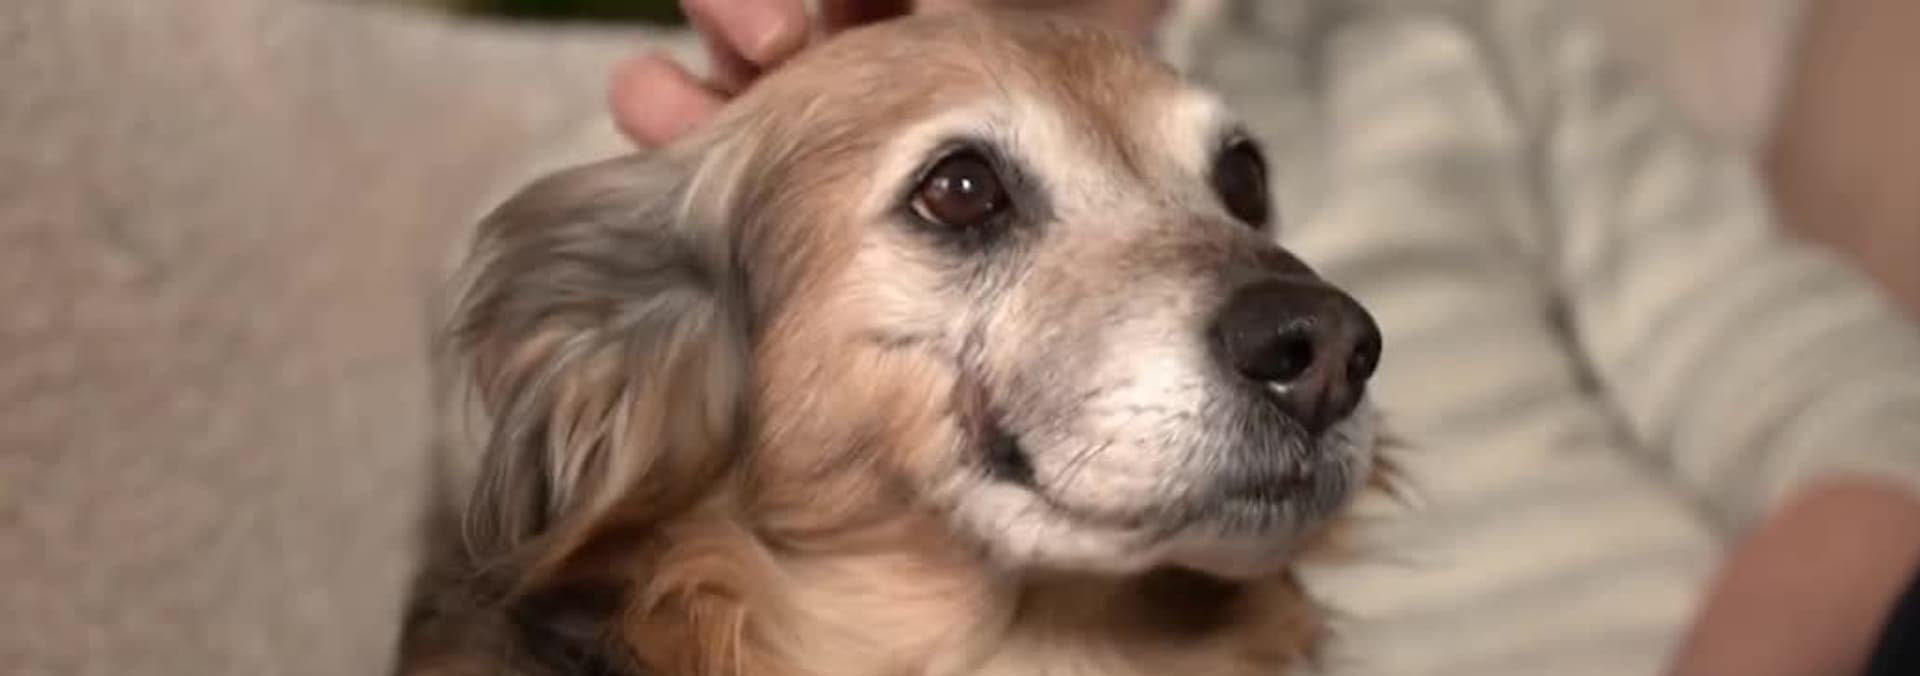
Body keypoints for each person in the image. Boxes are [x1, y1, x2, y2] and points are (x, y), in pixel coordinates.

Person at [607, 1, 1920, 675]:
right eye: (967, 198)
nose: (1316, 344)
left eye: (1238, 188)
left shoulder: (1459, 42)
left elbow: (1866, 423)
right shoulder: (714, 148)